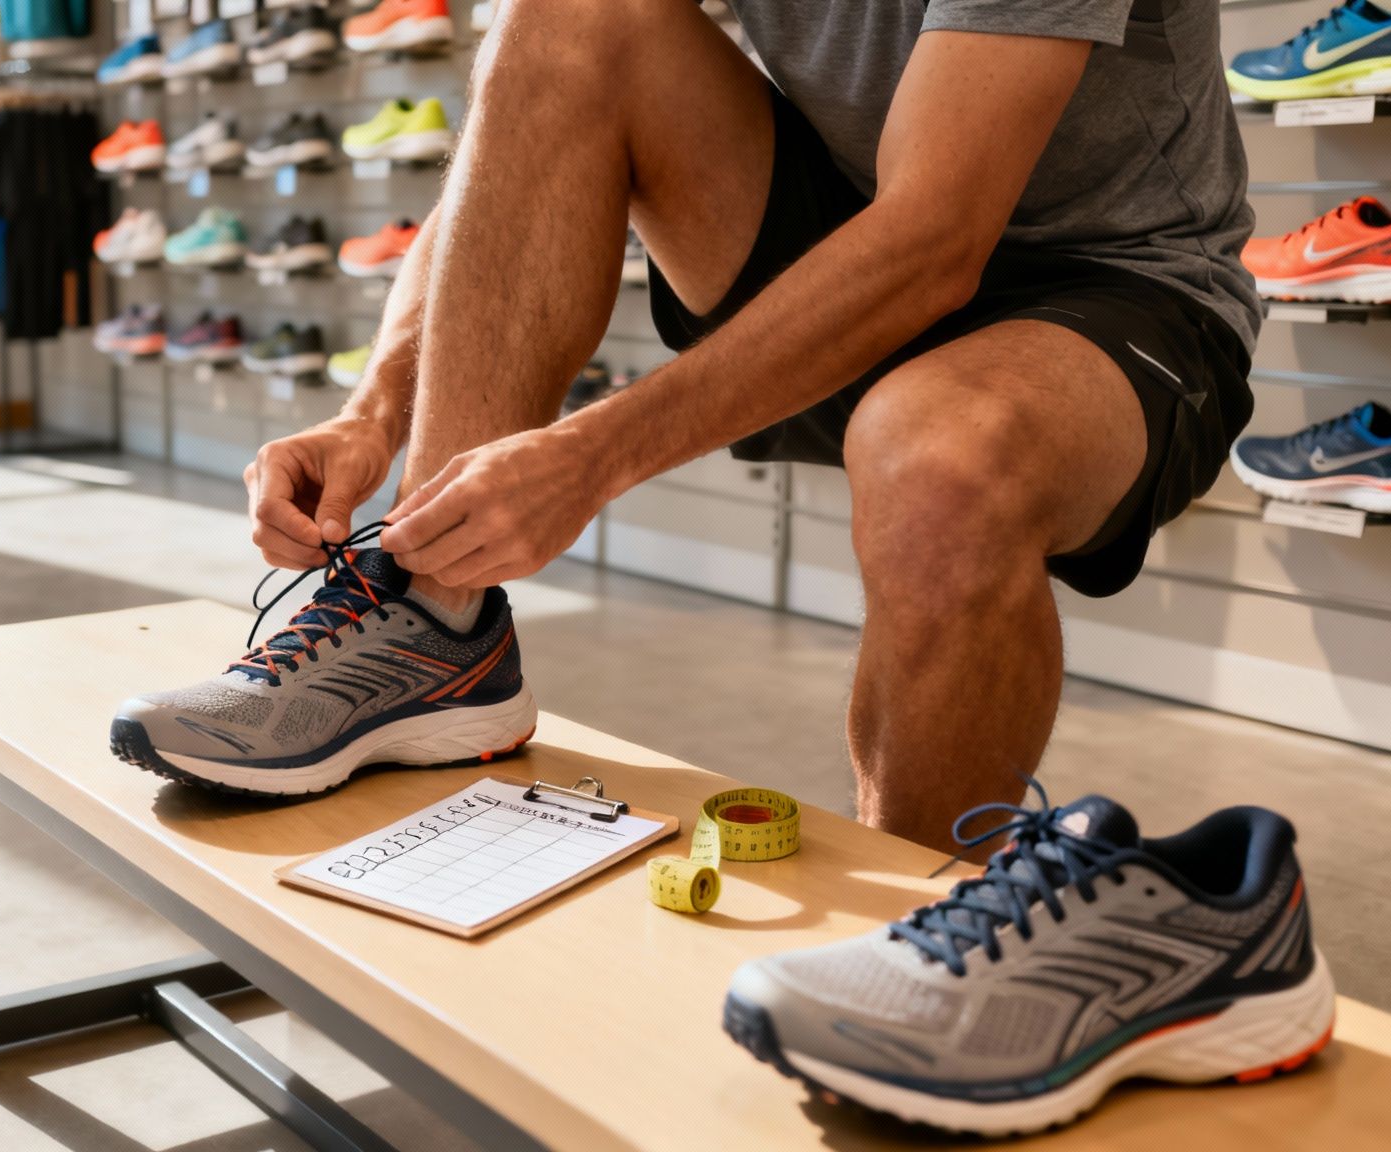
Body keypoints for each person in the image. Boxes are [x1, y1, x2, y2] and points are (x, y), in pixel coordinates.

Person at [111, 0, 1257, 852]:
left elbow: (932, 240)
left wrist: (591, 455)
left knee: (936, 454)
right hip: (843, 230)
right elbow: (519, 138)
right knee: (564, 15)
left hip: (1110, 282)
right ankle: (430, 615)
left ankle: (932, 903)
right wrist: (376, 411)